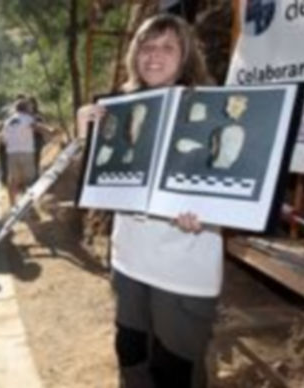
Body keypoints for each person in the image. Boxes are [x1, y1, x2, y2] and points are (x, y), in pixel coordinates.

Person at [76, 14, 218, 388]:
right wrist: (85, 140)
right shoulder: (119, 109)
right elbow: (100, 184)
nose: (154, 55)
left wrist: (211, 213)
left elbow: (227, 186)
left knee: (175, 374)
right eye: (147, 46)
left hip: (183, 273)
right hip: (129, 265)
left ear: (186, 56)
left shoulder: (209, 110)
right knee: (132, 361)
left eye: (168, 47)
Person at [1, 99, 51, 204]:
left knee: (13, 179)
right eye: (30, 107)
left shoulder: (8, 121)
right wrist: (50, 132)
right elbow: (37, 127)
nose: (31, 109)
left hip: (12, 153)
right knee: (29, 179)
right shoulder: (28, 118)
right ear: (26, 108)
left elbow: (3, 139)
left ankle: (12, 203)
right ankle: (28, 204)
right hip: (26, 152)